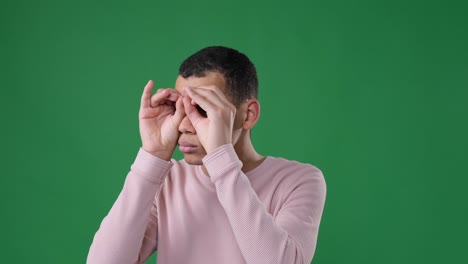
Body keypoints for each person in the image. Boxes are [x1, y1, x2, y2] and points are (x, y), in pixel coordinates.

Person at [86, 46, 327, 264]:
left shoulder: (299, 181)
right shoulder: (169, 179)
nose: (184, 125)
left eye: (202, 108)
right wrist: (152, 156)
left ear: (248, 114)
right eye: (179, 108)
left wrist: (221, 158)